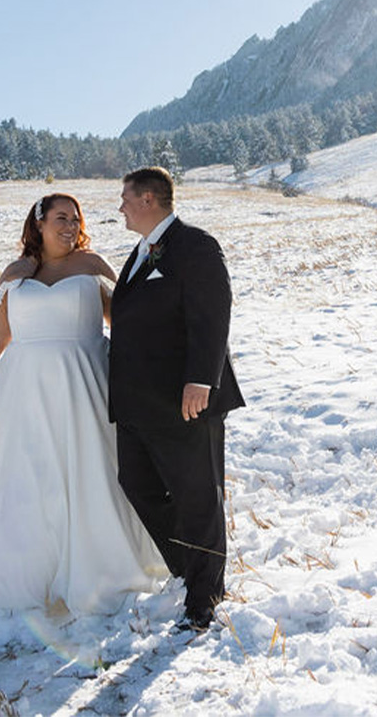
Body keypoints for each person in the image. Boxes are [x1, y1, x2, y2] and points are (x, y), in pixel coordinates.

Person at [0, 193, 165, 615]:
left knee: (92, 468)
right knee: (30, 475)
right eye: (61, 218)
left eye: (75, 219)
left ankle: (104, 569)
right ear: (39, 223)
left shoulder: (93, 266)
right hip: (25, 392)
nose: (70, 225)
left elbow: (128, 324)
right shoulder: (15, 274)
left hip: (85, 383)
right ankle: (28, 574)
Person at [109, 167, 244, 632]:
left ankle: (204, 598)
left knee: (198, 497)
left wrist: (201, 379)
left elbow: (213, 312)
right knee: (137, 485)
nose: (120, 206)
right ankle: (190, 567)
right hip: (138, 404)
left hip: (185, 399)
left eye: (124, 197)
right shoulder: (139, 253)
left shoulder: (194, 245)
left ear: (148, 199)